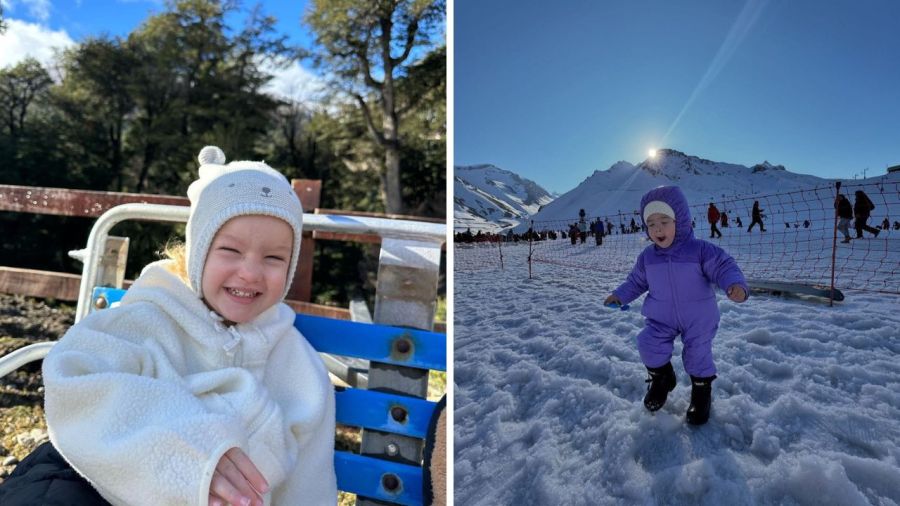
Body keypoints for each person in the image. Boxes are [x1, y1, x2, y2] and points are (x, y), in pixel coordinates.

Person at [1, 147, 336, 506]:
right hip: (86, 480)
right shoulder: (148, 317)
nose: (251, 272)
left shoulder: (302, 372)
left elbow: (308, 488)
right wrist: (184, 443)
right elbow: (75, 379)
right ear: (198, 251)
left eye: (274, 257)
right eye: (230, 250)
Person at [604, 186, 748, 425]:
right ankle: (661, 379)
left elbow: (724, 266)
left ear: (680, 221)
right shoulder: (647, 258)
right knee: (647, 342)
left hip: (698, 318)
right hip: (662, 317)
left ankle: (701, 393)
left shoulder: (700, 250)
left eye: (664, 220)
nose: (657, 228)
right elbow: (636, 282)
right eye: (650, 223)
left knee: (697, 354)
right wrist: (619, 296)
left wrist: (734, 284)